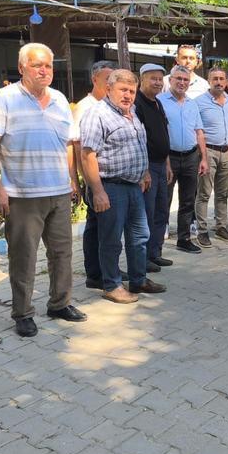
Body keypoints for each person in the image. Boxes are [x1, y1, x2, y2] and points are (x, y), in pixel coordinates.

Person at [0, 43, 86, 338]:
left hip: (58, 192)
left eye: (48, 65)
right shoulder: (4, 99)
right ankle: (23, 313)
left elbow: (68, 145)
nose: (44, 70)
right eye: (37, 65)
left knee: (62, 253)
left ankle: (60, 303)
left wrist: (73, 181)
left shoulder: (60, 99)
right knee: (24, 258)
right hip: (22, 194)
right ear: (21, 68)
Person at [80, 69, 166, 303]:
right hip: (111, 187)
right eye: (123, 90)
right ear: (109, 89)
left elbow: (138, 144)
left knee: (140, 235)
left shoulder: (132, 112)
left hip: (133, 186)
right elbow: (87, 155)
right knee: (111, 239)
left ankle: (138, 280)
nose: (128, 95)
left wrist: (144, 171)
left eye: (131, 91)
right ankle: (112, 285)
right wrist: (97, 191)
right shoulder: (97, 114)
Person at [71, 60, 119, 288]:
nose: (111, 84)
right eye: (107, 79)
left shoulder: (111, 106)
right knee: (96, 227)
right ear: (94, 79)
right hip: (95, 178)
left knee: (105, 227)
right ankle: (95, 273)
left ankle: (106, 269)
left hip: (108, 178)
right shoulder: (85, 107)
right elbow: (78, 147)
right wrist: (86, 181)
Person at [158, 65, 209, 254]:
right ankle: (157, 243)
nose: (182, 82)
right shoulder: (160, 101)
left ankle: (184, 239)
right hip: (168, 158)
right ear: (170, 80)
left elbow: (199, 132)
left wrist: (204, 158)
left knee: (188, 201)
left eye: (185, 79)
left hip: (190, 157)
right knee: (164, 199)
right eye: (178, 78)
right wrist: (165, 161)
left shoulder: (192, 104)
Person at [134, 63, 174, 271]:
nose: (158, 83)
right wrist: (145, 170)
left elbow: (163, 133)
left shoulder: (158, 103)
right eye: (153, 79)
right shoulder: (136, 103)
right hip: (147, 166)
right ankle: (144, 258)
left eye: (160, 79)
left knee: (161, 210)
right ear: (142, 79)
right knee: (147, 213)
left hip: (161, 164)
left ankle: (155, 252)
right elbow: (138, 139)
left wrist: (167, 163)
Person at [194, 68, 228, 246]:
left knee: (222, 193)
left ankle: (221, 226)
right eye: (215, 79)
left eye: (221, 78)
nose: (219, 82)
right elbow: (196, 130)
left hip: (226, 152)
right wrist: (202, 156)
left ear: (226, 81)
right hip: (208, 151)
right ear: (208, 80)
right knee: (204, 193)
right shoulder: (199, 102)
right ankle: (202, 230)